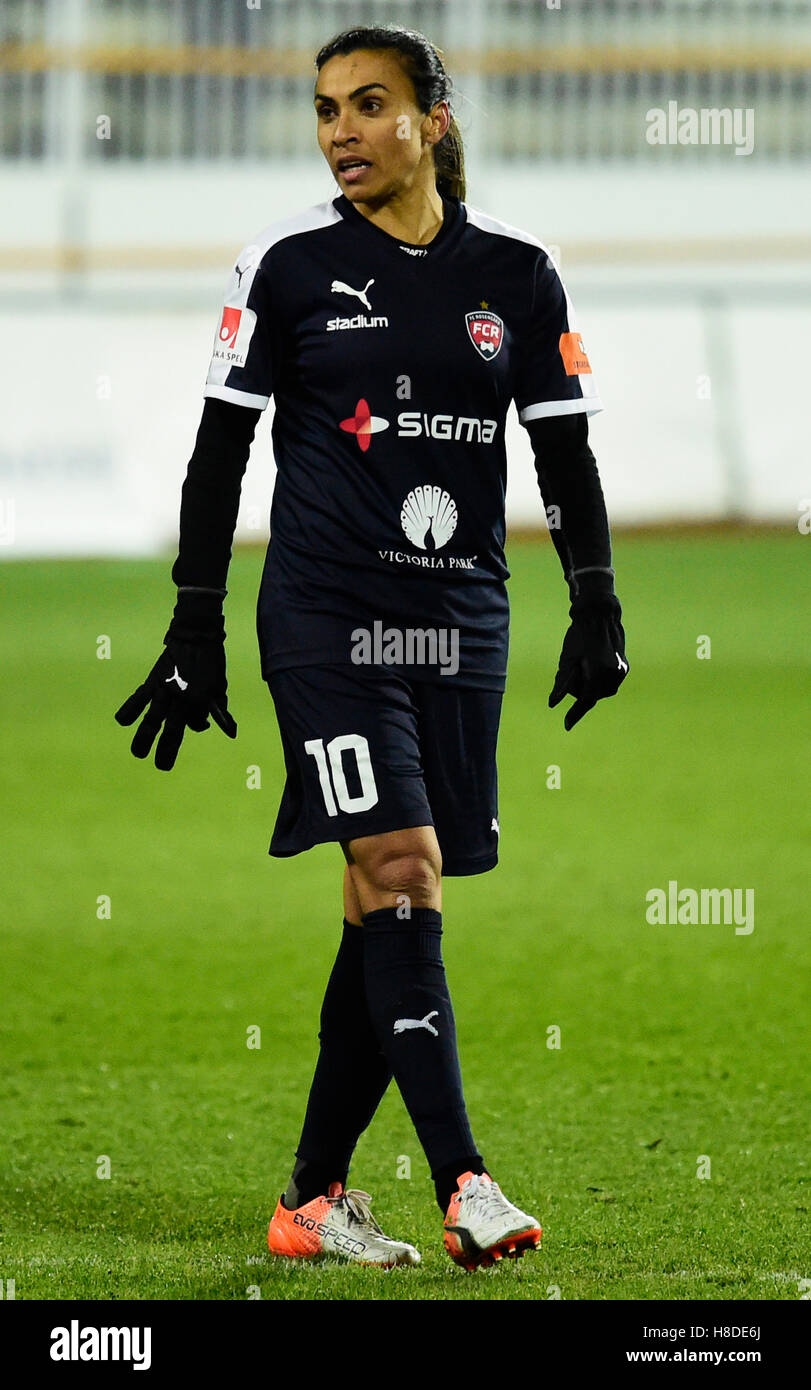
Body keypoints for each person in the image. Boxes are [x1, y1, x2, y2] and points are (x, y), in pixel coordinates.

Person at [115, 24, 628, 1272]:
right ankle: (467, 1181)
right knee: (402, 869)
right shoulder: (286, 265)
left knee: (381, 899)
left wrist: (597, 603)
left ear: (432, 119)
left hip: (461, 622)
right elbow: (219, 451)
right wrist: (194, 620)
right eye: (325, 109)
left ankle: (311, 1200)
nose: (341, 129)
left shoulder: (521, 272)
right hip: (325, 618)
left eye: (368, 104)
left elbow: (560, 451)